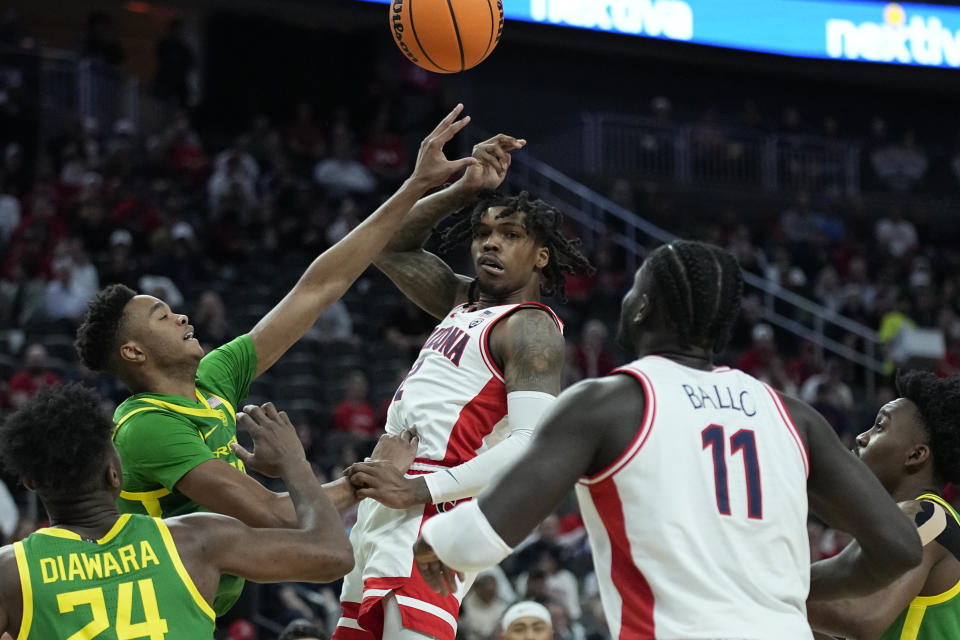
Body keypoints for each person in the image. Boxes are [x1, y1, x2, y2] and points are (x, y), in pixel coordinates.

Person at [72, 105, 477, 615]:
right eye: (160, 316)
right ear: (133, 352)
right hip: (142, 614)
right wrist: (366, 477)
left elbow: (318, 288)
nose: (180, 317)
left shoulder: (211, 378)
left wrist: (415, 184)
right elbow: (275, 515)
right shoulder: (146, 426)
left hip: (197, 604)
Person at [413, 240, 922, 639]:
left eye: (635, 288)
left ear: (643, 307)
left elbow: (478, 536)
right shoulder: (792, 415)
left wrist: (431, 542)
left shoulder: (608, 403)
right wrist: (795, 584)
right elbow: (898, 548)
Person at [333, 134, 593, 640]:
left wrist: (418, 488)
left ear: (541, 257)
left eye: (510, 235)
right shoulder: (463, 301)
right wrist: (461, 187)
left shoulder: (530, 327)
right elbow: (386, 243)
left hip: (434, 506)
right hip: (390, 497)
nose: (489, 243)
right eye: (482, 232)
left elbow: (530, 446)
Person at [0, 384, 353, 639]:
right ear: (114, 474)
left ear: (30, 482)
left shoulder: (10, 572)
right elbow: (332, 555)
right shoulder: (194, 539)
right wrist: (295, 464)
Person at [807, 370, 960, 639]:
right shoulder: (908, 523)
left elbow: (861, 616)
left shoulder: (927, 516)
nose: (861, 437)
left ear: (915, 454)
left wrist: (764, 586)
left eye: (879, 426)